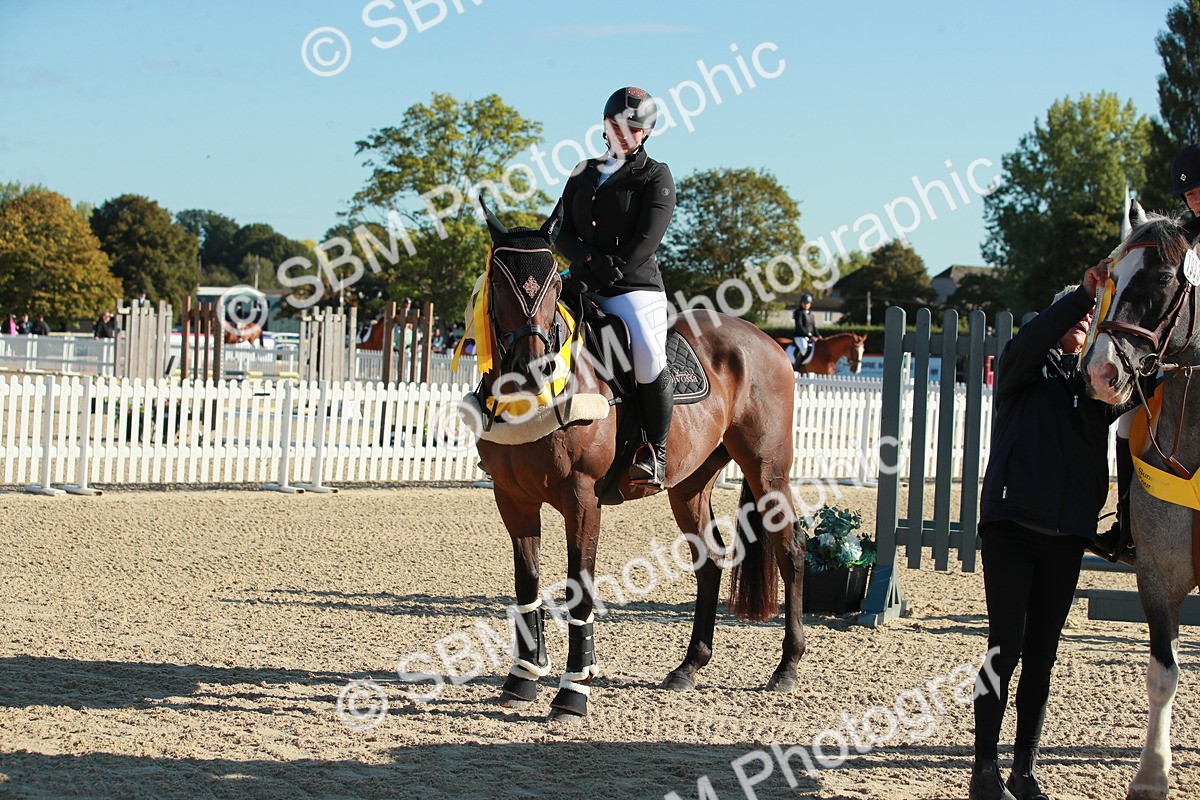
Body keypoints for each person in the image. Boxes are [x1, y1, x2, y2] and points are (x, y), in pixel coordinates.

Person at [971, 262, 1130, 800]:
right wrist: (1082, 294)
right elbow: (1033, 338)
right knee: (1005, 646)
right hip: (1011, 527)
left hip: (1066, 537)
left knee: (1042, 654)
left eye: (1090, 321)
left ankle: (1023, 771)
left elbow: (1139, 381)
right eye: (1077, 317)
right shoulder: (1021, 371)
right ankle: (984, 768)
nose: (1083, 326)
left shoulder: (1095, 389)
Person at [554, 86, 676, 488]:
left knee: (646, 352)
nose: (624, 133)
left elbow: (648, 239)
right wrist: (588, 263)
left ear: (646, 133)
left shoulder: (655, 175)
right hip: (584, 281)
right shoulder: (583, 171)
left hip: (634, 288)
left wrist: (607, 271)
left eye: (633, 128)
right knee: (535, 330)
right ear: (606, 127)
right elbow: (561, 232)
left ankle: (654, 453)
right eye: (616, 125)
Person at [791, 293, 821, 361]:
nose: (806, 305)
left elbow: (813, 327)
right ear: (801, 303)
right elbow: (799, 326)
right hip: (800, 337)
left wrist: (818, 335)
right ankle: (798, 366)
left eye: (808, 303)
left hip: (810, 337)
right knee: (804, 348)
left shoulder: (811, 314)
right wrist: (810, 336)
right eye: (805, 303)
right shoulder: (798, 313)